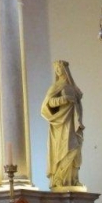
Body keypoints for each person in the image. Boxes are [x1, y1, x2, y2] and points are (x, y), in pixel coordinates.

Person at [40, 60, 85, 189]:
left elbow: (78, 103)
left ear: (65, 69)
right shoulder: (56, 86)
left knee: (76, 148)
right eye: (56, 68)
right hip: (60, 123)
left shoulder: (73, 87)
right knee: (66, 149)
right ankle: (59, 178)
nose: (58, 70)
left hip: (73, 122)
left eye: (59, 67)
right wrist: (64, 99)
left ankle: (73, 179)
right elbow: (48, 104)